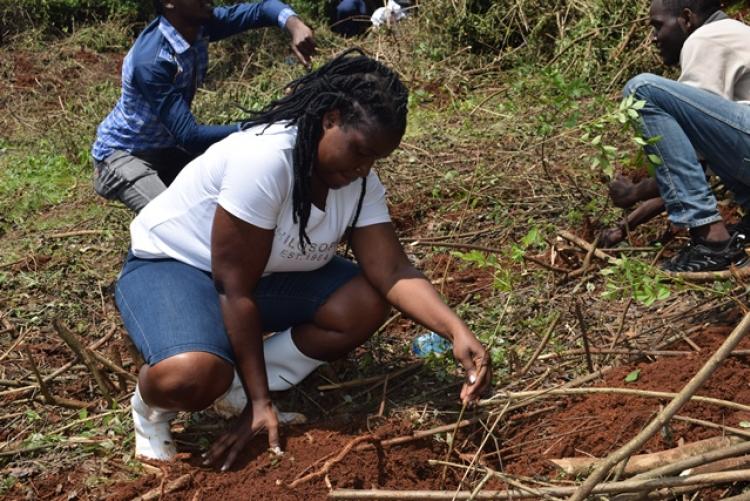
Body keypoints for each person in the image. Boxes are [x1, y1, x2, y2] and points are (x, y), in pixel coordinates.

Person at [115, 49, 492, 468]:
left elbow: (391, 269)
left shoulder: (358, 181)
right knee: (193, 374)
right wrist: (261, 405)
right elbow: (233, 287)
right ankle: (152, 407)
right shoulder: (266, 160)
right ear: (330, 119)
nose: (364, 169)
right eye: (359, 151)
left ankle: (236, 383)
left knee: (362, 303)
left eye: (375, 160)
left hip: (259, 278)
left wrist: (455, 329)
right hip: (176, 268)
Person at [91, 0, 316, 213]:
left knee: (229, 195)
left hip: (166, 149)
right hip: (121, 156)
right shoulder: (152, 61)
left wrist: (295, 25)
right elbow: (190, 135)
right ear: (169, 2)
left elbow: (263, 8)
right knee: (170, 220)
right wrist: (262, 124)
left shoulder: (200, 25)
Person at [609, 0, 750, 272]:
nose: (653, 39)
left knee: (642, 89)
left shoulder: (708, 38)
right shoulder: (734, 33)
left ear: (686, 19)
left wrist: (634, 194)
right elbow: (687, 175)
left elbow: (690, 167)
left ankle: (713, 243)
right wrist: (626, 224)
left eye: (657, 26)